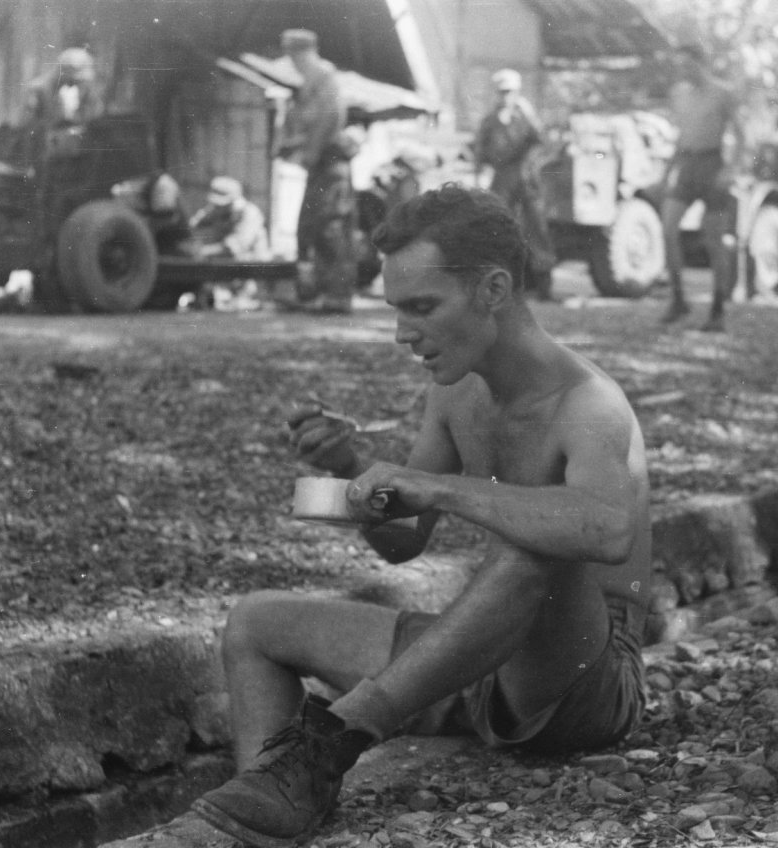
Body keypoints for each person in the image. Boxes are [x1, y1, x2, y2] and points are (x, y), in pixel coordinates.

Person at [190, 185, 652, 848]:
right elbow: (403, 539)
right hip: (489, 660)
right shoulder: (455, 395)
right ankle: (270, 802)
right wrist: (349, 468)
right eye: (396, 310)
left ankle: (334, 739)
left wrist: (437, 487)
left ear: (494, 290)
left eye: (422, 307)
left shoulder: (590, 403)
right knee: (255, 622)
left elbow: (607, 531)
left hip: (587, 680)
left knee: (532, 549)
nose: (403, 334)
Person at [659, 43, 743, 333]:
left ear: (701, 63)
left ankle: (718, 309)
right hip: (687, 166)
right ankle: (678, 299)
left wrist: (731, 169)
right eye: (680, 65)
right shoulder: (679, 94)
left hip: (713, 165)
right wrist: (667, 172)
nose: (684, 70)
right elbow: (681, 136)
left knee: (713, 239)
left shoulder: (723, 92)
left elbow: (741, 134)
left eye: (688, 64)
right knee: (668, 227)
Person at [276, 28, 358, 313]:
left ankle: (337, 296)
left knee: (330, 228)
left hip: (331, 164)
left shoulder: (323, 76)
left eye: (292, 54)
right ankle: (319, 293)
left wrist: (309, 150)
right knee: (312, 228)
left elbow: (330, 116)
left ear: (300, 52)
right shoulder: (309, 81)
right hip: (320, 166)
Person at [474, 69, 556, 301]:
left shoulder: (525, 116)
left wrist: (531, 160)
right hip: (502, 179)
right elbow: (480, 154)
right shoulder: (490, 121)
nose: (505, 97)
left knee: (537, 229)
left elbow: (542, 141)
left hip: (526, 178)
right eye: (501, 92)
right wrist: (481, 177)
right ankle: (502, 285)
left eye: (509, 92)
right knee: (498, 229)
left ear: (517, 92)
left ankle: (544, 286)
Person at [189, 176, 271, 260]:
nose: (218, 207)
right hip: (225, 262)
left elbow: (236, 247)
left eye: (222, 203)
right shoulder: (216, 209)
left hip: (252, 263)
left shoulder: (250, 213)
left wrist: (203, 251)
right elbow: (193, 225)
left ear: (235, 200)